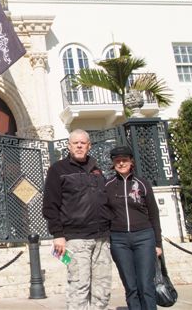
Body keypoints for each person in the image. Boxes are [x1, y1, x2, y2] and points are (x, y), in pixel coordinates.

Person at [43, 129, 111, 310]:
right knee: (79, 286)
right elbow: (50, 205)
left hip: (102, 238)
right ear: (69, 146)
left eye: (83, 143)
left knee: (102, 289)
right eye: (75, 143)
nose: (79, 146)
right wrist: (58, 235)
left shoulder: (97, 169)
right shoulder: (58, 170)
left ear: (89, 146)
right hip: (76, 239)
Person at [105, 145, 162, 310]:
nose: (121, 163)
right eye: (117, 161)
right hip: (119, 240)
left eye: (124, 160)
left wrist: (158, 243)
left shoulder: (142, 184)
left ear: (131, 162)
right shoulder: (108, 185)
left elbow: (154, 213)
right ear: (113, 164)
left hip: (144, 237)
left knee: (146, 284)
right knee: (130, 286)